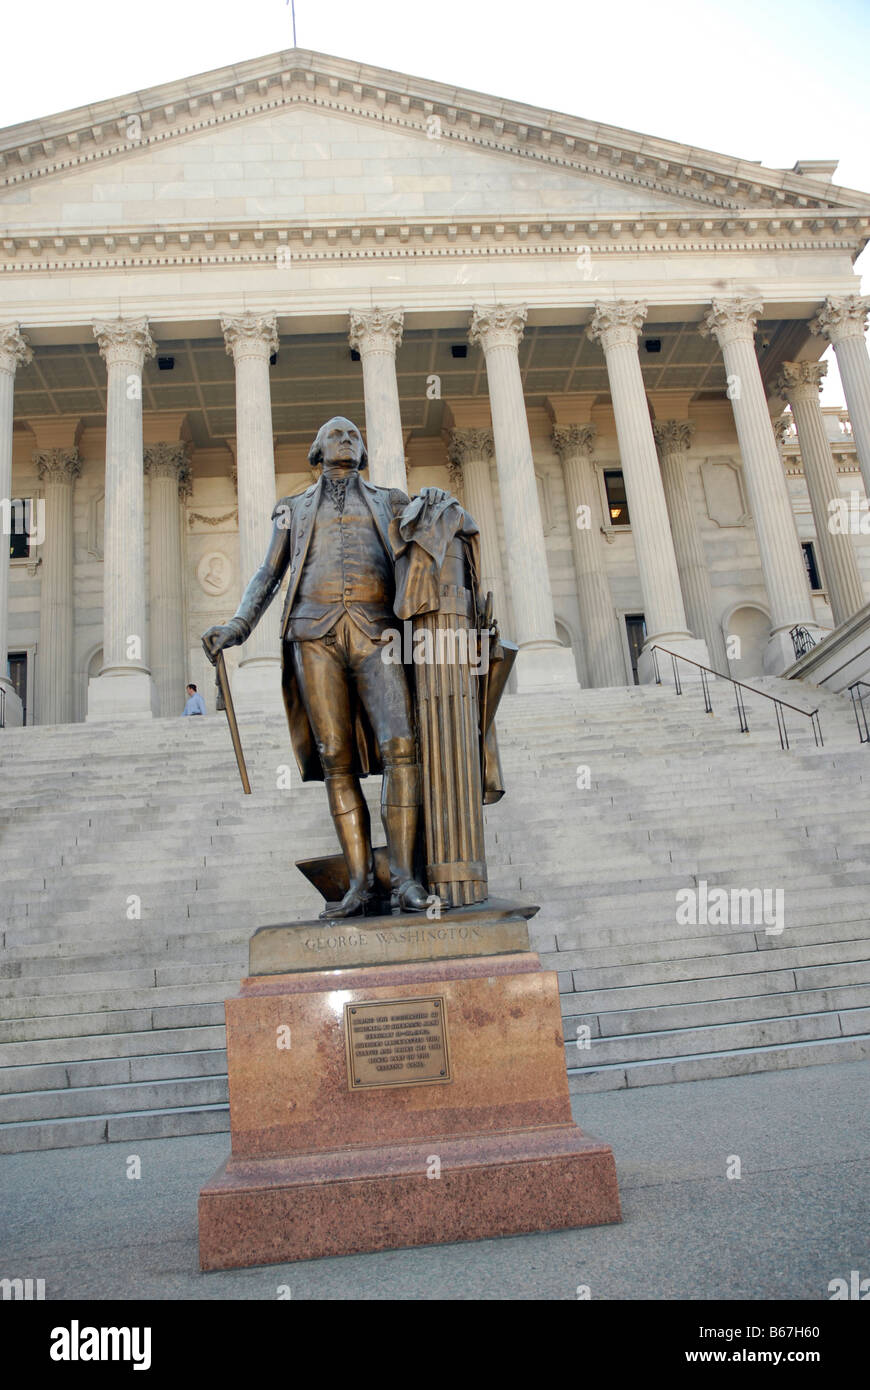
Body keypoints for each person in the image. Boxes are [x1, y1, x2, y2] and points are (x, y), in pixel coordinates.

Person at [202, 416, 445, 919]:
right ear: (316, 449)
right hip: (312, 637)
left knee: (400, 745)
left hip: (379, 633)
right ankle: (359, 883)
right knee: (335, 756)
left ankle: (403, 879)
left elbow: (431, 543)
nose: (347, 439)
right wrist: (238, 626)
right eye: (336, 434)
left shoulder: (391, 501)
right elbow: (268, 573)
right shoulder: (292, 510)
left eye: (355, 434)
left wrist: (442, 506)